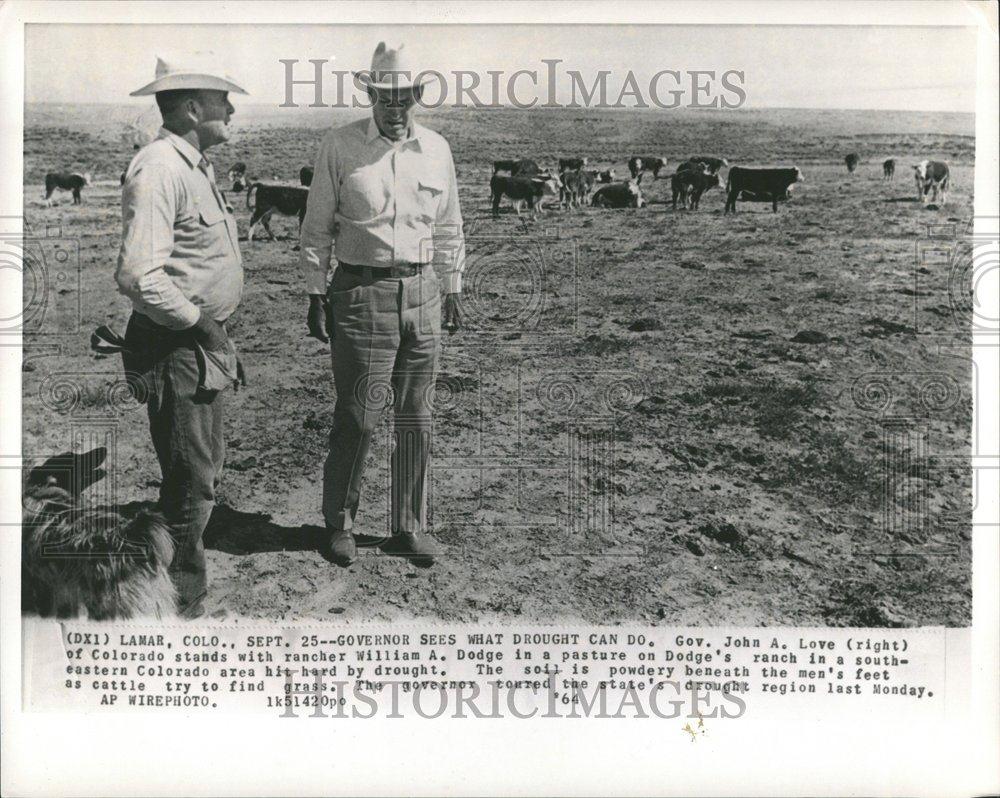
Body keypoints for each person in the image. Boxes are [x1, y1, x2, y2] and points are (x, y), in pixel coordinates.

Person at [300, 42, 465, 568]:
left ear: (417, 95)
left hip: (423, 294)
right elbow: (316, 228)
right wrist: (314, 293)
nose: (395, 106)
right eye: (385, 95)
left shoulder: (438, 149)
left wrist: (453, 285)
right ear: (370, 94)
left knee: (416, 416)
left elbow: (449, 225)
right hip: (359, 294)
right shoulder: (341, 146)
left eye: (405, 96)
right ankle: (339, 524)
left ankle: (407, 527)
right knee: (360, 416)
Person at [115, 54, 247, 617]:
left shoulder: (192, 164)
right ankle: (177, 598)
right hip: (177, 345)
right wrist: (204, 325)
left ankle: (174, 577)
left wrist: (212, 329)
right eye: (223, 101)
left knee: (203, 466)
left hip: (197, 341)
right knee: (192, 476)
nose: (232, 109)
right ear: (194, 108)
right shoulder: (161, 168)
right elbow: (139, 275)